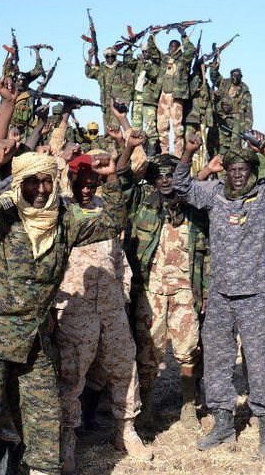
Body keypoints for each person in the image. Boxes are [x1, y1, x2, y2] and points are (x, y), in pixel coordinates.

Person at [0, 77, 127, 475]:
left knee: (45, 423)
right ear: (20, 184)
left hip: (34, 341)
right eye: (32, 182)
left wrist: (113, 178)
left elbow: (112, 222)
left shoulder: (65, 222)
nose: (41, 189)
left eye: (47, 180)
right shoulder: (2, 216)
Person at [173, 131, 265, 458]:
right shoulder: (214, 195)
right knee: (217, 360)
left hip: (257, 294)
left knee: (259, 363)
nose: (238, 174)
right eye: (232, 169)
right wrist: (188, 153)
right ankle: (222, 422)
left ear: (252, 172)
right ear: (225, 172)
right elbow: (182, 187)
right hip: (220, 294)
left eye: (244, 168)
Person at [54, 147, 152, 468]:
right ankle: (67, 435)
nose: (86, 189)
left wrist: (122, 294)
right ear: (70, 181)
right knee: (71, 373)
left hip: (110, 304)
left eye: (91, 183)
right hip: (76, 306)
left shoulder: (104, 208)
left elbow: (119, 256)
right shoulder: (62, 212)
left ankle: (125, 430)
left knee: (124, 364)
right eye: (80, 183)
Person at [120, 133, 209, 430]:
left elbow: (205, 255)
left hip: (185, 290)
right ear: (153, 181)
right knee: (149, 351)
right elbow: (121, 179)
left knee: (188, 349)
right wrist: (130, 147)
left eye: (171, 176)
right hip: (151, 291)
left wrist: (205, 291)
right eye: (160, 177)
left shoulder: (194, 208)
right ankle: (146, 406)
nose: (166, 181)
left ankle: (187, 406)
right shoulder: (142, 203)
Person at [147, 26, 196, 157]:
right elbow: (152, 51)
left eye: (173, 47)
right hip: (163, 95)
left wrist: (183, 35)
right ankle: (164, 153)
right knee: (161, 126)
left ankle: (178, 155)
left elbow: (191, 50)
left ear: (178, 48)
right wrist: (152, 36)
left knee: (177, 128)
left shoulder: (184, 59)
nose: (170, 49)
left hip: (176, 97)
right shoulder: (164, 59)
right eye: (169, 47)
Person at [86, 46, 135, 129]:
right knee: (108, 133)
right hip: (105, 106)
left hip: (117, 106)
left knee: (115, 130)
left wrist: (125, 106)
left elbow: (129, 89)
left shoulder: (123, 68)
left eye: (113, 56)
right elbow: (89, 73)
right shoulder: (102, 68)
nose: (110, 58)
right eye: (108, 56)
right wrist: (90, 57)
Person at [210, 60, 252, 154]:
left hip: (236, 121)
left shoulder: (244, 89)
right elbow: (215, 77)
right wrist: (214, 67)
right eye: (233, 75)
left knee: (235, 147)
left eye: (237, 76)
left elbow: (248, 110)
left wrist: (248, 127)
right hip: (221, 118)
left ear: (241, 77)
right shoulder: (224, 83)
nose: (235, 78)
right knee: (217, 145)